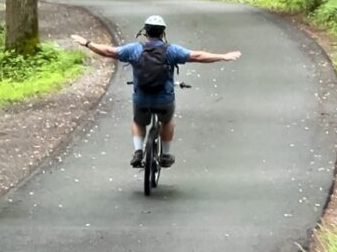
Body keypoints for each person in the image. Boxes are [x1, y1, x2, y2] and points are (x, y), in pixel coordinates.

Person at [71, 15, 241, 169]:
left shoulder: (134, 50)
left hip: (141, 98)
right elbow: (197, 56)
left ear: (145, 32)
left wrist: (86, 42)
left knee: (138, 122)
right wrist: (222, 56)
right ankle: (166, 155)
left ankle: (138, 151)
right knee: (167, 122)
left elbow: (108, 51)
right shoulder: (171, 51)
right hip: (164, 99)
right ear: (163, 33)